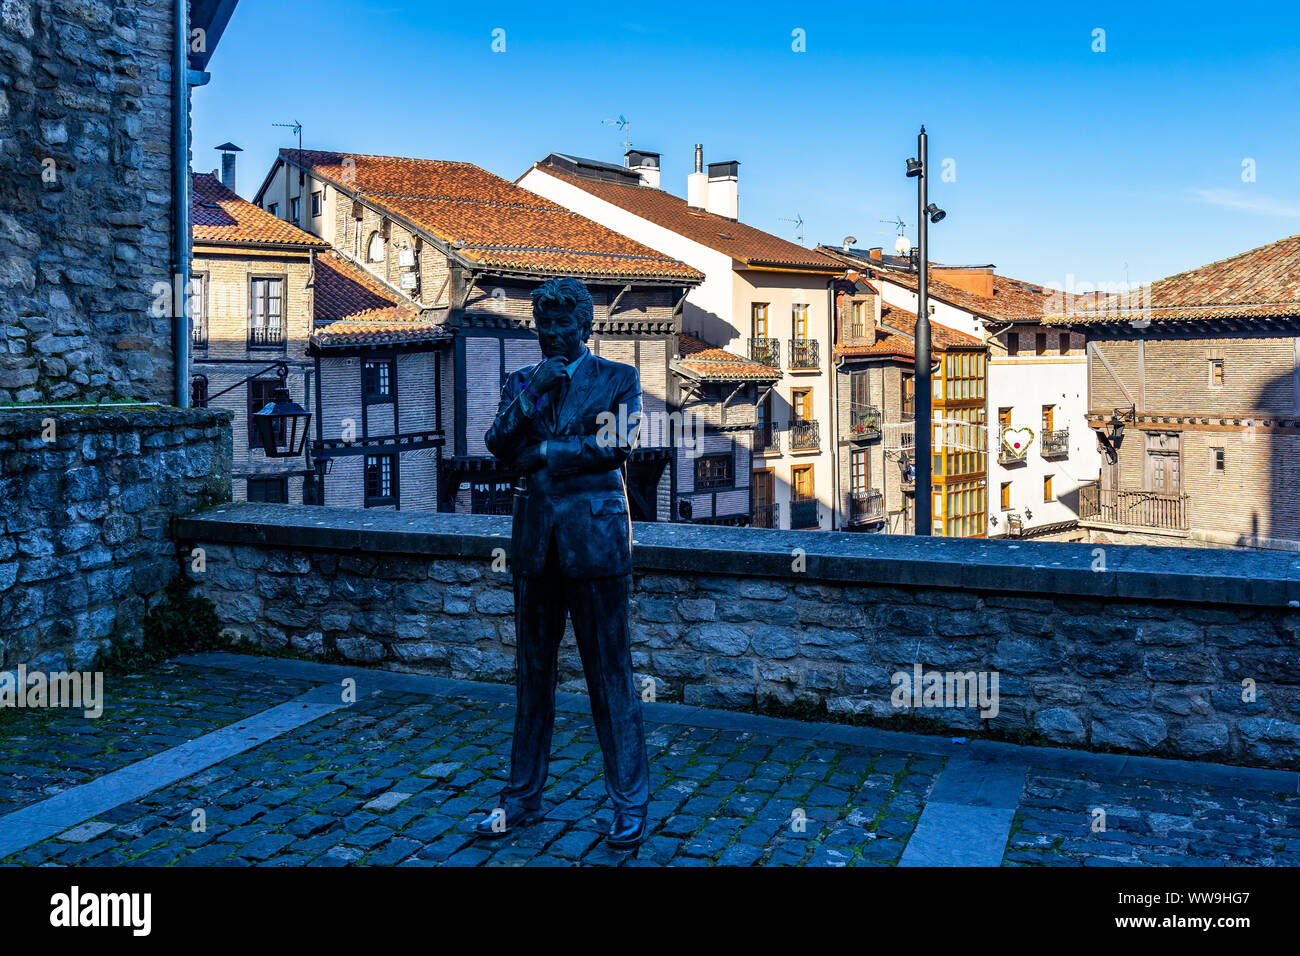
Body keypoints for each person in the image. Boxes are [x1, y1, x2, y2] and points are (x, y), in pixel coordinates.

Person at [477, 276, 649, 849]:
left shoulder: (618, 379)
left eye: (561, 324)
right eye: (543, 324)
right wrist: (529, 400)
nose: (550, 334)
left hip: (596, 543)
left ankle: (629, 801)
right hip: (534, 545)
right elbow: (498, 444)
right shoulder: (523, 382)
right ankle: (521, 797)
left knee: (610, 676)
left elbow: (617, 446)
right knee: (532, 679)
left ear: (584, 325)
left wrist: (547, 451)